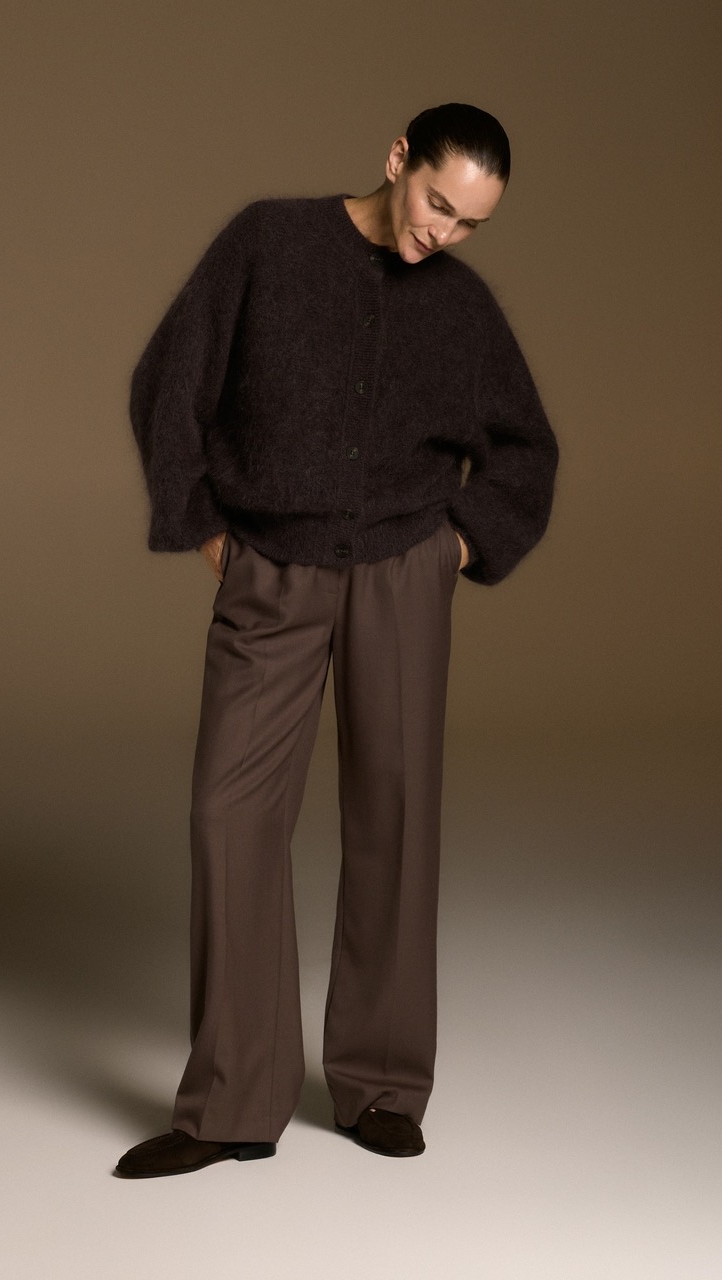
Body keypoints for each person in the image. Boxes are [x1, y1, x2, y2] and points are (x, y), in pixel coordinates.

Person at [116, 103, 558, 1178]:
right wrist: (203, 524)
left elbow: (525, 450)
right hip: (272, 567)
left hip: (404, 572)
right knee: (230, 815)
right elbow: (168, 379)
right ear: (397, 157)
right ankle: (232, 1100)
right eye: (436, 202)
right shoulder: (268, 243)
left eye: (469, 222)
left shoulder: (463, 308)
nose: (442, 232)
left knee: (396, 817)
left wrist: (457, 548)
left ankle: (383, 1084)